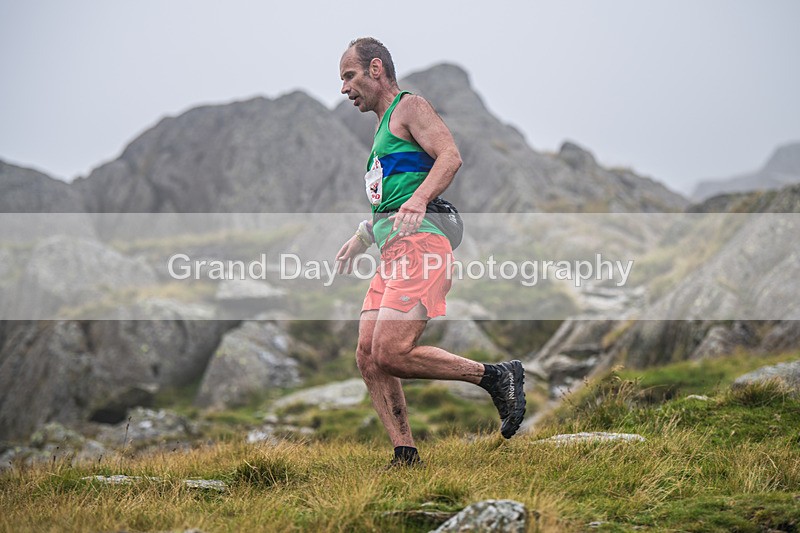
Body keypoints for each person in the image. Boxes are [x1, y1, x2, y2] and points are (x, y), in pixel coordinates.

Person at [335, 37, 526, 466]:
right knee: (368, 354)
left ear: (376, 69)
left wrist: (421, 199)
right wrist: (362, 236)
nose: (344, 88)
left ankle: (496, 377)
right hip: (391, 251)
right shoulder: (382, 131)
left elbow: (450, 157)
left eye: (350, 76)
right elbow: (391, 200)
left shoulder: (410, 107)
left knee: (391, 351)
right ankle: (405, 452)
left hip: (421, 245)